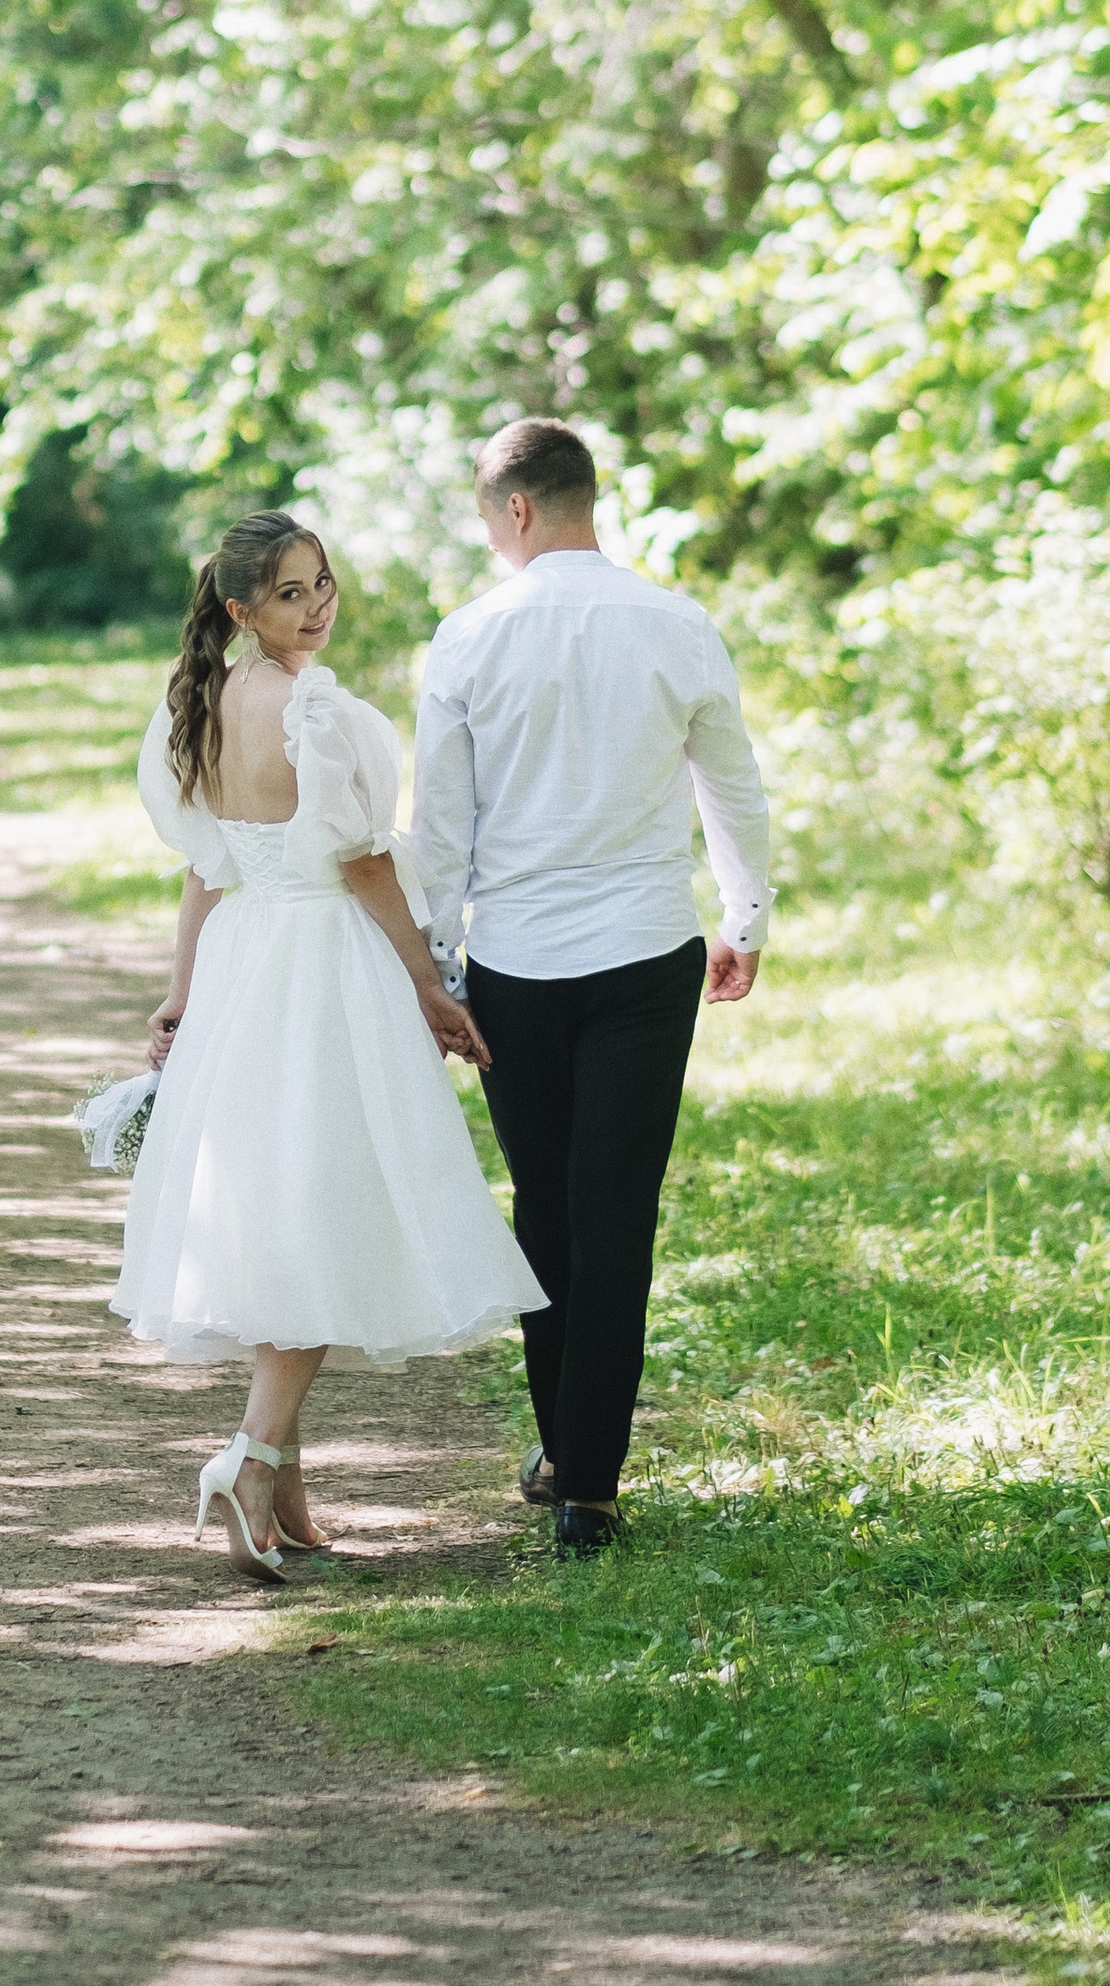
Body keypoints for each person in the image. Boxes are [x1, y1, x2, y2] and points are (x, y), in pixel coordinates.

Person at [113, 509, 542, 1575]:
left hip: (248, 960)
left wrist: (181, 995)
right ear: (240, 608)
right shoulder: (317, 710)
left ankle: (287, 1483)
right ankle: (250, 1460)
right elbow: (361, 864)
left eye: (323, 585)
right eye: (291, 594)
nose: (316, 609)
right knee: (321, 1205)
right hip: (320, 964)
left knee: (278, 1199)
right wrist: (428, 986)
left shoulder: (198, 705)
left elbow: (207, 869)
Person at [410, 417, 770, 1559]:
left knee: (546, 1208)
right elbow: (733, 785)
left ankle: (565, 1447)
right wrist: (744, 918)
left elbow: (442, 823)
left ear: (514, 510)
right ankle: (588, 1491)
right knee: (618, 1213)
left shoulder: (467, 636)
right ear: (582, 498)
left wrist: (437, 964)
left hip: (512, 964)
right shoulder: (677, 623)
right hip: (645, 956)